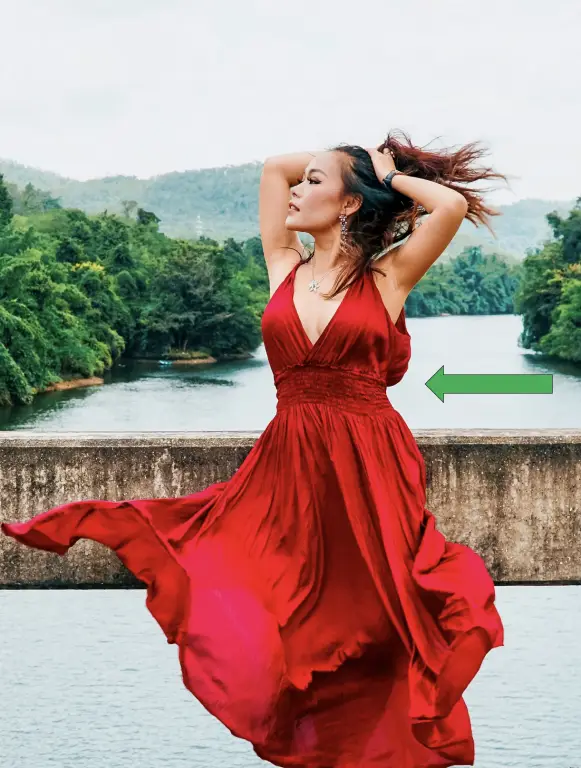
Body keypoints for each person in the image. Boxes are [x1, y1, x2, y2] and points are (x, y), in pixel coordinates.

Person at [2, 130, 507, 767]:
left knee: (385, 617)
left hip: (371, 459)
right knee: (288, 610)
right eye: (305, 181)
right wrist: (339, 168)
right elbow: (273, 168)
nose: (298, 188)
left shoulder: (387, 276)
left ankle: (384, 748)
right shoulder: (283, 265)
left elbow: (449, 209)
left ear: (350, 205)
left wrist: (385, 171)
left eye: (315, 183)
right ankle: (322, 743)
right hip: (289, 458)